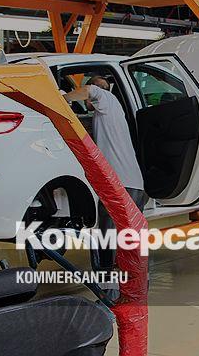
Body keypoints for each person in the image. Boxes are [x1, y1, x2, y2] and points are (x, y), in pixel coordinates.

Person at [64, 76, 147, 274]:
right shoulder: (110, 113)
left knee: (106, 232)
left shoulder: (106, 98)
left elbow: (89, 91)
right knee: (129, 239)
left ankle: (106, 277)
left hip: (120, 182)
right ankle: (131, 280)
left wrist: (63, 99)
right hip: (135, 184)